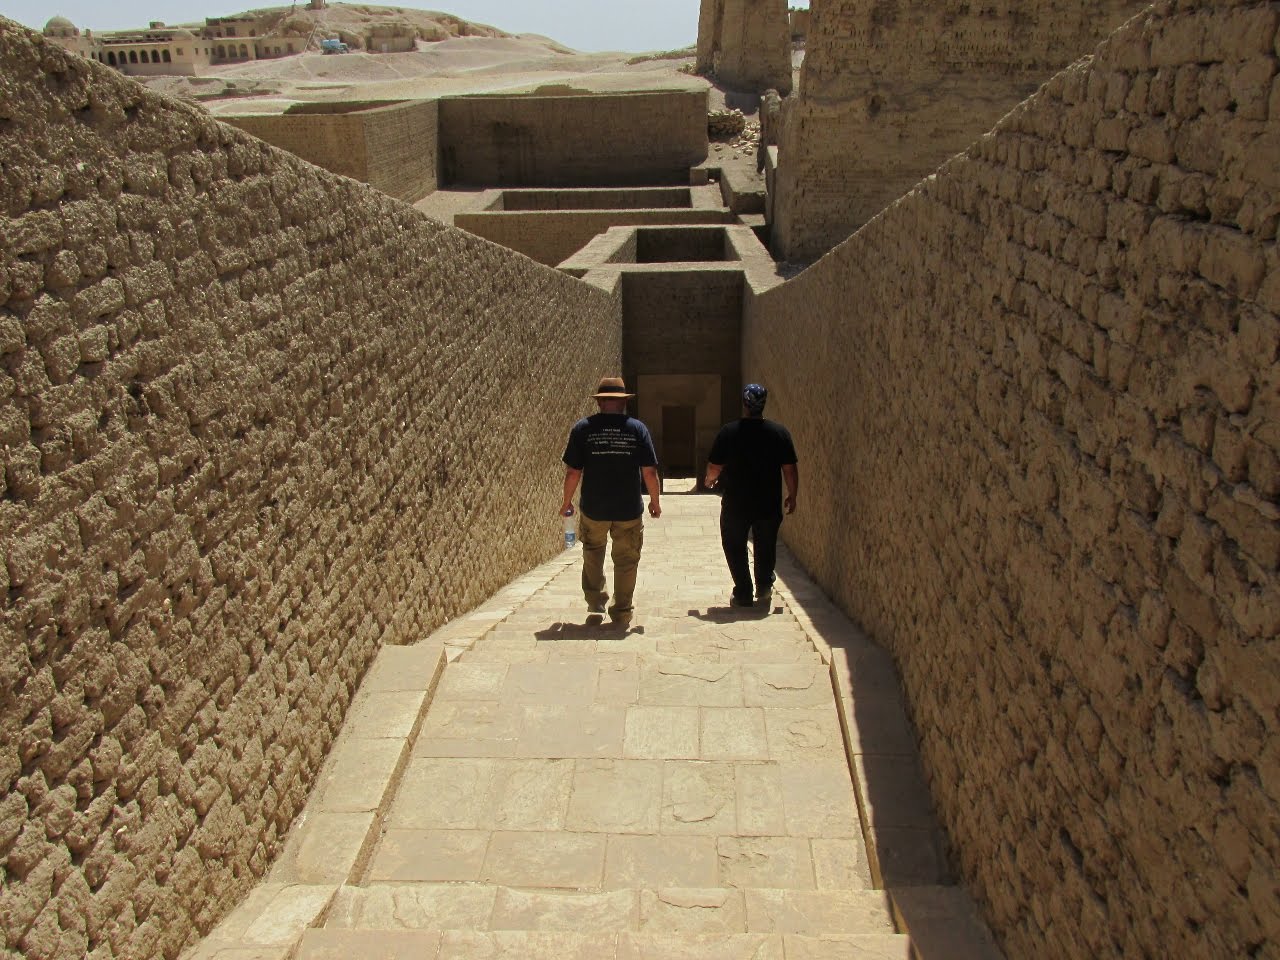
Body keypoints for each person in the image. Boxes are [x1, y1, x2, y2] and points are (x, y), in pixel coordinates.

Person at [561, 377, 662, 624]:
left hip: (594, 507)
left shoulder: (583, 428)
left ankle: (596, 602)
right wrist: (655, 502)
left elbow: (573, 471)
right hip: (628, 508)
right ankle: (622, 610)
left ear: (600, 403)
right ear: (623, 403)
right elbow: (648, 470)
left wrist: (566, 502)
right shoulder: (637, 429)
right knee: (627, 559)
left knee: (593, 552)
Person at [704, 384, 798, 608]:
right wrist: (793, 495)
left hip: (736, 504)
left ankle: (744, 591)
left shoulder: (729, 432)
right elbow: (790, 469)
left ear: (745, 404)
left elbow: (715, 465)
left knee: (734, 545)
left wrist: (710, 479)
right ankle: (764, 586)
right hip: (768, 503)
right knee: (766, 545)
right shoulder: (779, 433)